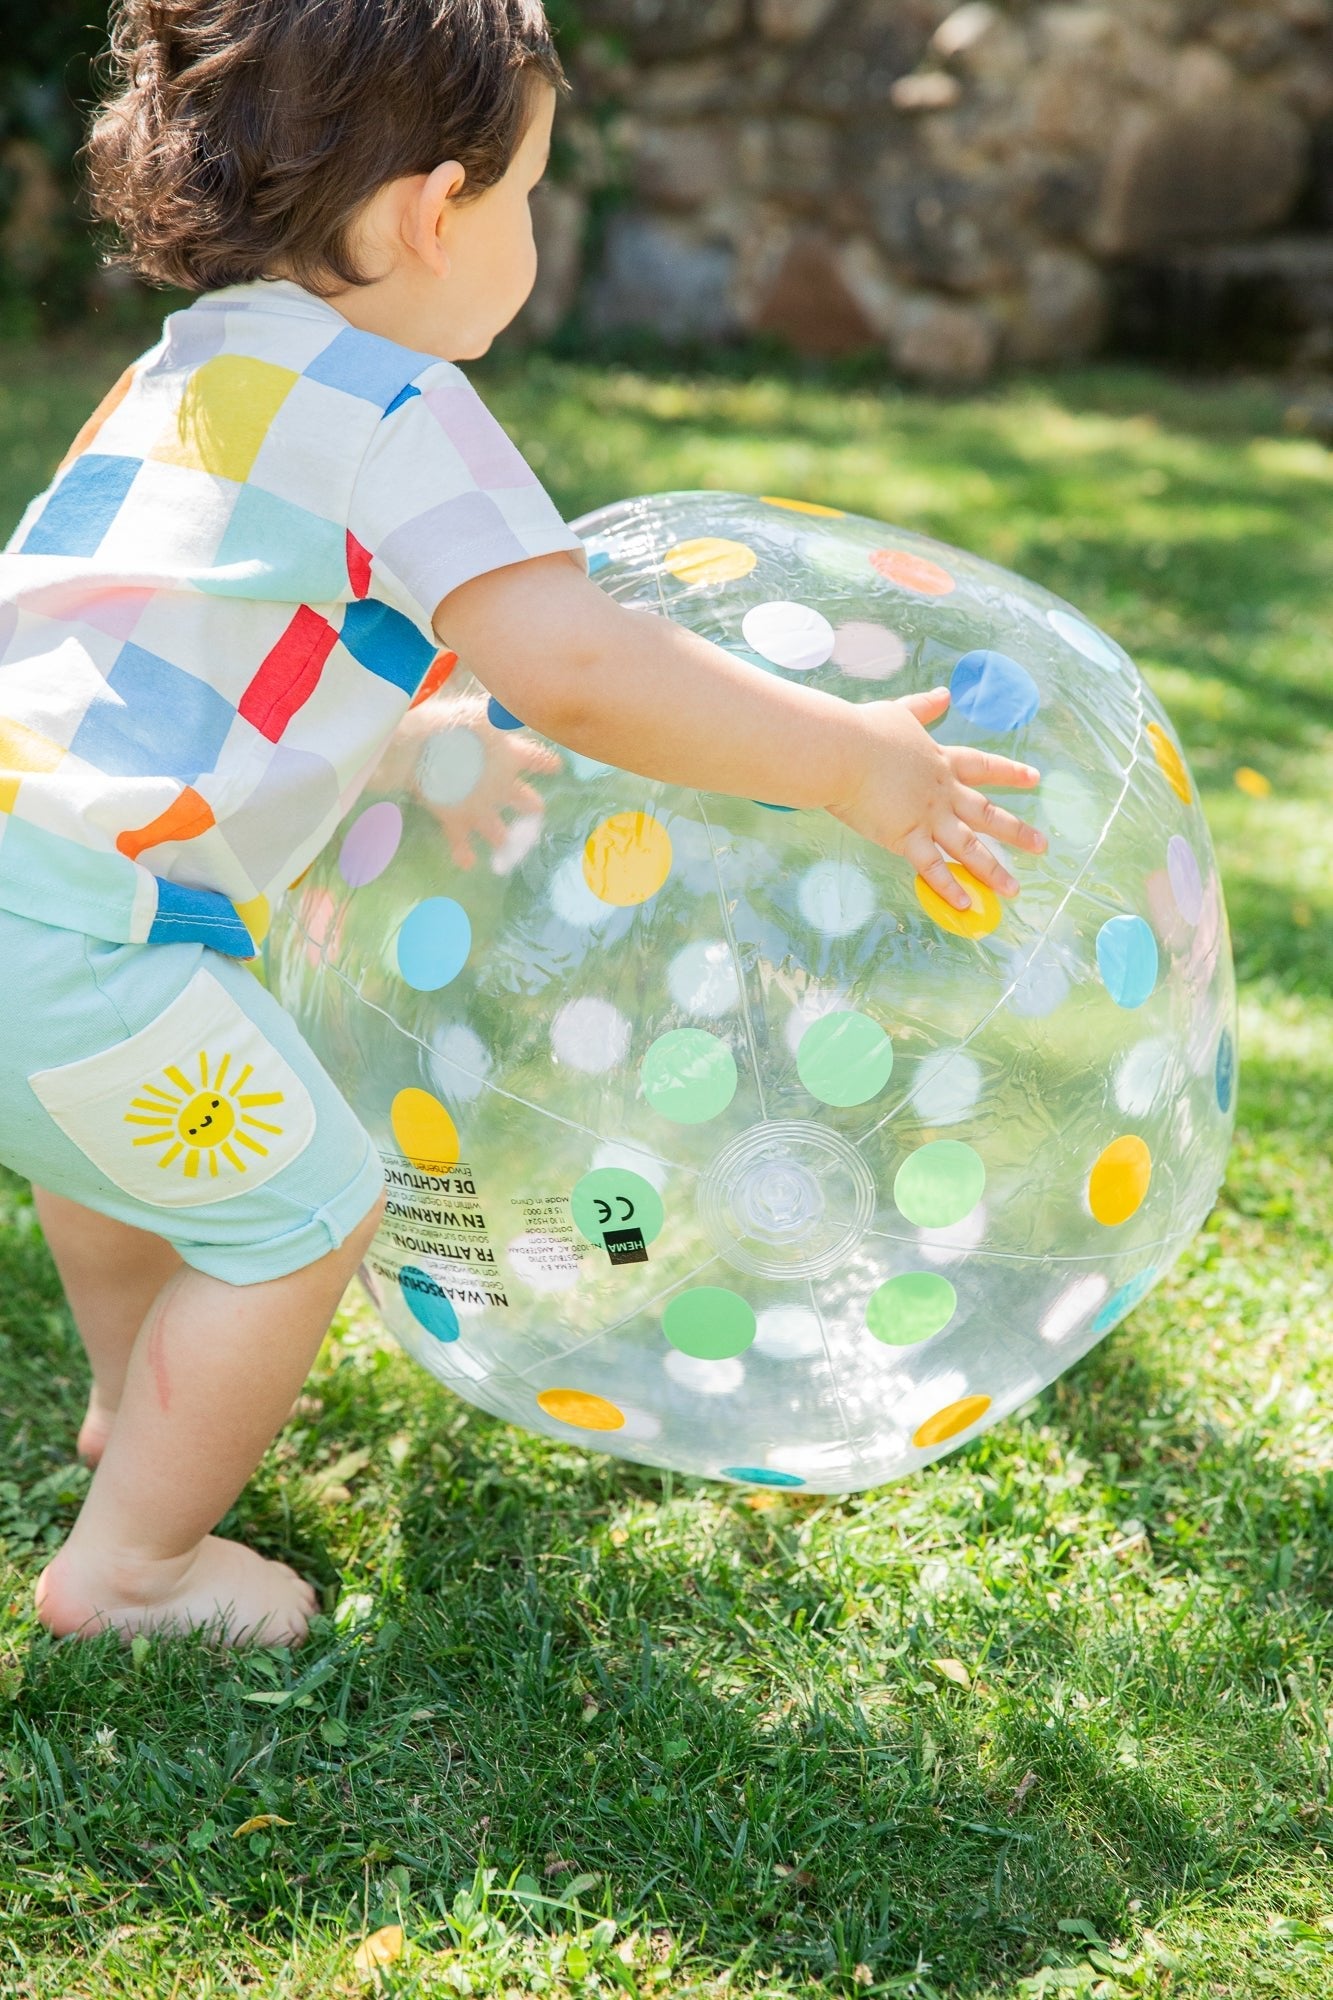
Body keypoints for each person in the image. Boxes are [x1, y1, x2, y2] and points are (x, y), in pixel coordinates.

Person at [2, 0, 1045, 1648]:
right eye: (532, 190)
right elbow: (576, 664)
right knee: (297, 1212)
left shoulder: (189, 368)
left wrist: (418, 741)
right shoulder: (402, 410)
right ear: (437, 208)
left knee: (125, 1171)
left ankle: (141, 1412)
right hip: (85, 935)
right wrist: (847, 764)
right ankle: (129, 1569)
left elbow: (198, 646)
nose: (531, 228)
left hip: (32, 887)